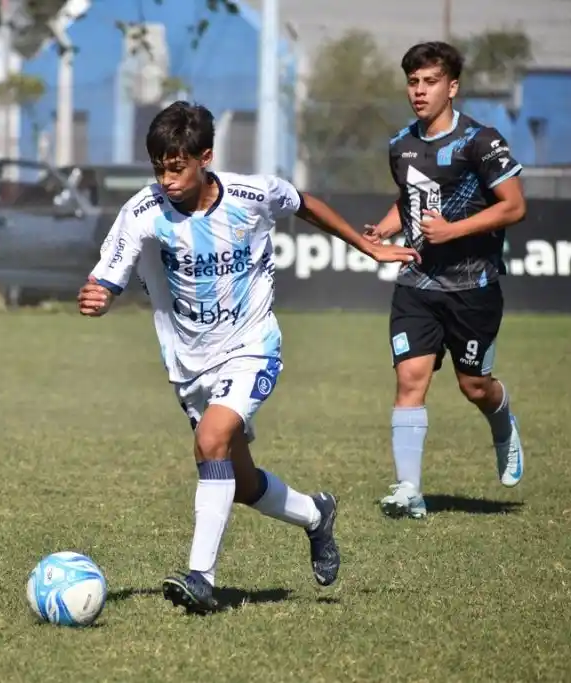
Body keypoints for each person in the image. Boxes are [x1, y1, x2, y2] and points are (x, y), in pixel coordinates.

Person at [77, 101, 419, 614]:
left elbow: (304, 203)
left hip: (253, 346)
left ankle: (201, 579)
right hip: (189, 364)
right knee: (239, 481)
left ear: (205, 157)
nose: (166, 180)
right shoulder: (143, 212)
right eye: (158, 169)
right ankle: (315, 515)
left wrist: (368, 248)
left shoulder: (250, 194)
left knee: (210, 440)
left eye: (177, 167)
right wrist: (98, 295)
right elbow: (108, 274)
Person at [365, 41, 527, 519]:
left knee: (474, 386)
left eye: (430, 81)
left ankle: (503, 425)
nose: (419, 91)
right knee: (410, 379)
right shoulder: (400, 144)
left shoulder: (482, 141)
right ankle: (409, 489)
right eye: (413, 82)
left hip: (473, 287)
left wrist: (453, 230)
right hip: (417, 283)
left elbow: (514, 206)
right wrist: (385, 227)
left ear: (451, 87)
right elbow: (410, 201)